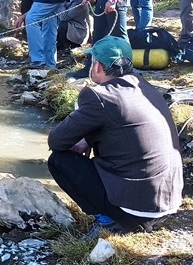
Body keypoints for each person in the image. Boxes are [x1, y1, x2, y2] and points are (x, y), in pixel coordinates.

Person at [46, 36, 182, 233]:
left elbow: (56, 141)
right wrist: (89, 138)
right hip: (168, 203)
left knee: (59, 161)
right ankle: (127, 215)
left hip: (136, 210)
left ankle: (108, 220)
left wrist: (84, 139)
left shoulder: (99, 96)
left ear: (98, 67)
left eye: (91, 61)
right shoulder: (145, 87)